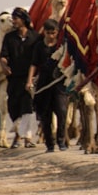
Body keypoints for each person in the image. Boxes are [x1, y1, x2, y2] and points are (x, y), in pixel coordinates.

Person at [0, 7, 40, 148]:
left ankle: (24, 138)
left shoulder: (35, 37)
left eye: (15, 19)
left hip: (29, 79)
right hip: (13, 79)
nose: (14, 21)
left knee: (27, 108)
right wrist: (4, 65)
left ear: (23, 19)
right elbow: (3, 56)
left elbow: (38, 59)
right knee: (13, 108)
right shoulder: (9, 38)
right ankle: (20, 135)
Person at [28, 19, 68, 152]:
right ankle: (50, 144)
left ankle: (61, 141)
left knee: (62, 112)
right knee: (45, 116)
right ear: (44, 32)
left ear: (57, 32)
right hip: (44, 84)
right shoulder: (39, 46)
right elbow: (33, 64)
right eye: (48, 33)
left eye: (53, 33)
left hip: (59, 83)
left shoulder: (61, 47)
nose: (51, 36)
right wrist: (29, 81)